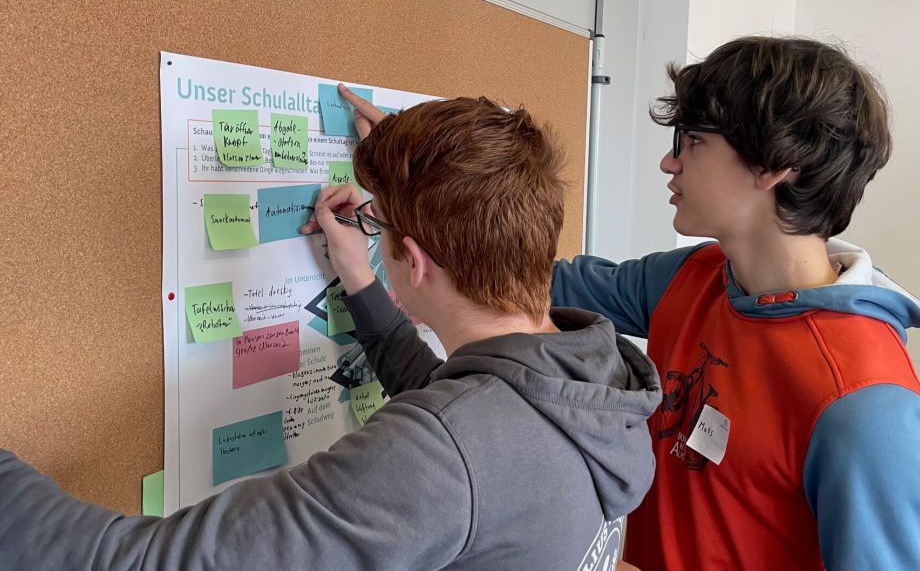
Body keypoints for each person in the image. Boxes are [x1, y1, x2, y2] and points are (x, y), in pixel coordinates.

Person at [0, 93, 661, 569]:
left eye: (378, 226)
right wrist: (360, 276)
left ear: (415, 261)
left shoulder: (441, 455)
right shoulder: (595, 377)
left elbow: (144, 562)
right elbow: (456, 401)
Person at [551, 36, 920, 569]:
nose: (669, 162)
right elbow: (525, 283)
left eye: (692, 140)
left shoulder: (862, 402)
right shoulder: (691, 277)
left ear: (776, 163)